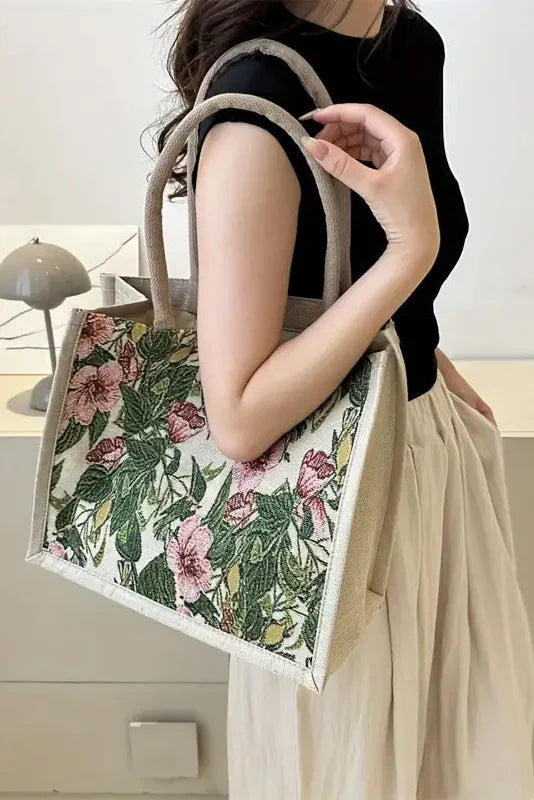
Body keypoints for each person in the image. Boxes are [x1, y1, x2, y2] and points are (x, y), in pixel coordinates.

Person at [158, 1, 534, 796]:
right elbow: (239, 416)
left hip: (427, 459)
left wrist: (433, 363)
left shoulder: (408, 45)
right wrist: (411, 249)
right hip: (330, 503)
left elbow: (347, 281)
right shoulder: (256, 104)